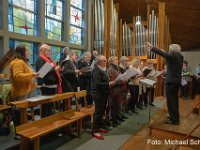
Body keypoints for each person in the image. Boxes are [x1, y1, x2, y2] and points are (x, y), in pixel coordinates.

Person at [146, 42, 183, 125]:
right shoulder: (179, 56)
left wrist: (152, 47)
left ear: (172, 51)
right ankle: (174, 117)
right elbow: (168, 57)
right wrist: (165, 52)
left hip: (172, 82)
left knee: (171, 101)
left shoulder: (174, 57)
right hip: (175, 81)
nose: (168, 51)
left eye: (169, 49)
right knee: (174, 100)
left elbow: (165, 55)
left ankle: (174, 120)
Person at [10, 45, 39, 125]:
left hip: (27, 91)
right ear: (22, 52)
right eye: (27, 50)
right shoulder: (17, 62)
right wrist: (32, 75)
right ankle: (19, 133)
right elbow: (18, 76)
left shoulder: (25, 61)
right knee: (19, 113)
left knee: (24, 113)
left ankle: (24, 130)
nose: (28, 52)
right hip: (21, 92)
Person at [91, 55, 115, 140]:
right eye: (104, 61)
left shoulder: (103, 69)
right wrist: (109, 84)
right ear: (98, 62)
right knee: (98, 112)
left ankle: (100, 126)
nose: (106, 62)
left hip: (103, 93)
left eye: (106, 61)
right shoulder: (96, 70)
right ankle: (94, 131)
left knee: (102, 111)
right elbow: (97, 83)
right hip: (98, 93)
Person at [36, 44, 62, 117]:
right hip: (45, 85)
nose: (49, 52)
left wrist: (57, 70)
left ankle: (50, 118)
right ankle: (45, 119)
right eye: (48, 50)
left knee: (50, 104)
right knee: (46, 104)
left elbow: (49, 70)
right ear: (43, 51)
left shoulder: (48, 59)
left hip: (51, 85)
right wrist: (55, 69)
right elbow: (42, 73)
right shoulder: (40, 59)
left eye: (50, 50)